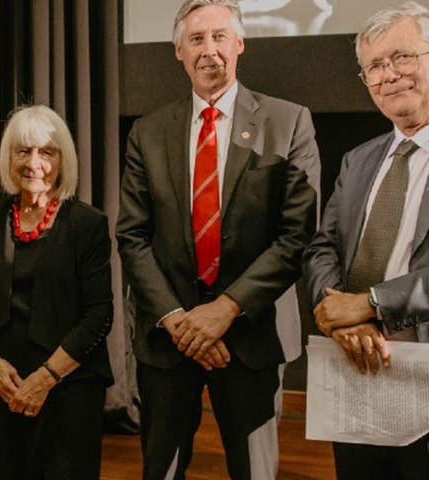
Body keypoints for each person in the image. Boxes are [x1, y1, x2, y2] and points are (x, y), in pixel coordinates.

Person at [117, 0, 320, 477]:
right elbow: (132, 236)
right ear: (178, 52)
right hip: (171, 338)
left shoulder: (288, 122)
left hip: (251, 335)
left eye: (219, 36)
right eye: (196, 39)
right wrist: (180, 320)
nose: (209, 50)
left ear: (240, 44)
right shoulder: (147, 133)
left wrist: (224, 310)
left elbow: (297, 236)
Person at [302, 2, 429, 478]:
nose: (388, 75)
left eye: (402, 58)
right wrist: (345, 317)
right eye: (374, 65)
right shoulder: (358, 160)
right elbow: (321, 249)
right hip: (360, 379)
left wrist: (373, 303)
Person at [0, 105, 114, 479]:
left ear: (63, 160)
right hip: (7, 385)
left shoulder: (87, 224)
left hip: (69, 384)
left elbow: (99, 316)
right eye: (23, 151)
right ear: (8, 158)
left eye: (47, 152)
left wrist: (45, 378)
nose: (34, 163)